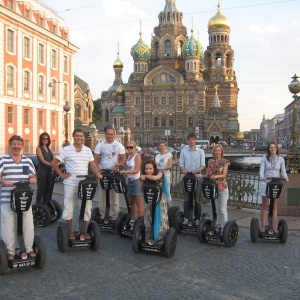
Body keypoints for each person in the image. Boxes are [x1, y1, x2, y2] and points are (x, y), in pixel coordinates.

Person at [51, 128, 102, 240]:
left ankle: (83, 231)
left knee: (86, 207)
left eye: (81, 136)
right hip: (70, 183)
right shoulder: (67, 149)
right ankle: (69, 232)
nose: (79, 138)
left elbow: (92, 165)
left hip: (84, 183)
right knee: (69, 207)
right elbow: (54, 163)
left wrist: (97, 173)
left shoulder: (87, 150)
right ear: (73, 137)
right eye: (77, 136)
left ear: (83, 137)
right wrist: (62, 175)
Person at [0, 135, 37, 260]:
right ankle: (9, 251)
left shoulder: (27, 160)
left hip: (24, 198)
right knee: (7, 225)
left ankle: (28, 249)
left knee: (28, 224)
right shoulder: (3, 159)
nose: (16, 146)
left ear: (22, 146)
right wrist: (4, 181)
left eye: (19, 144)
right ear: (10, 145)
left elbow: (33, 176)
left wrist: (32, 178)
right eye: (14, 144)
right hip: (7, 197)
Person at [93, 127, 126, 219]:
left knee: (114, 194)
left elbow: (123, 157)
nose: (110, 136)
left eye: (111, 134)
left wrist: (119, 165)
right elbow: (95, 158)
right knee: (102, 194)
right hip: (103, 172)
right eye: (108, 134)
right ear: (105, 135)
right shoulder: (100, 145)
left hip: (113, 172)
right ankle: (102, 214)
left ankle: (114, 215)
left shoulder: (119, 145)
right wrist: (97, 168)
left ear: (114, 135)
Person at [259, 142, 289, 233]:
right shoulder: (264, 158)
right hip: (266, 182)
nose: (273, 149)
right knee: (265, 205)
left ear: (276, 149)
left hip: (276, 183)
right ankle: (263, 225)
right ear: (269, 149)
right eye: (271, 148)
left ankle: (273, 226)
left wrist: (286, 177)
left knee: (275, 206)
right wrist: (262, 177)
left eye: (274, 147)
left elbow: (283, 171)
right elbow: (261, 170)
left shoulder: (281, 159)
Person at [200, 144, 230, 232]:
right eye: (215, 150)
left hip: (222, 187)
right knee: (215, 207)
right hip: (212, 188)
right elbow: (207, 173)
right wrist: (203, 176)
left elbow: (224, 175)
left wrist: (216, 176)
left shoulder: (225, 162)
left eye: (219, 151)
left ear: (221, 152)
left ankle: (225, 228)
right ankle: (216, 224)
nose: (217, 152)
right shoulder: (210, 161)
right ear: (213, 152)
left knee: (222, 209)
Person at [140, 160, 170, 245]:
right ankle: (149, 236)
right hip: (148, 198)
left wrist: (145, 176)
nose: (148, 171)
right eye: (146, 169)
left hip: (159, 199)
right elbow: (141, 188)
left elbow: (156, 178)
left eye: (150, 168)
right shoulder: (144, 176)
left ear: (154, 168)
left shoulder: (160, 173)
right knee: (148, 217)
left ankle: (161, 238)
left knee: (161, 218)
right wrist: (141, 180)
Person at [179, 133, 206, 225]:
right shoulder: (184, 151)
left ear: (195, 140)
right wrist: (183, 169)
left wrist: (197, 170)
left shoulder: (200, 151)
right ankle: (187, 217)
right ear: (188, 140)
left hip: (197, 176)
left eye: (193, 139)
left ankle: (197, 218)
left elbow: (203, 165)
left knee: (197, 199)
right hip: (187, 177)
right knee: (187, 199)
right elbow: (181, 164)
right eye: (190, 139)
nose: (191, 141)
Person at [120, 141, 144, 229]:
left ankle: (141, 222)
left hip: (137, 181)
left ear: (135, 147)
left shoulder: (137, 156)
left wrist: (126, 172)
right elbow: (128, 168)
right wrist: (121, 165)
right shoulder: (128, 156)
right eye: (127, 147)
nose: (129, 149)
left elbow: (137, 170)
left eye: (131, 147)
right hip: (129, 180)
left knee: (139, 203)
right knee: (131, 203)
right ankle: (133, 220)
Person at [35, 132, 53, 204]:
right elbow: (42, 160)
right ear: (41, 139)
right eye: (43, 138)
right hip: (42, 169)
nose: (45, 140)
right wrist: (52, 165)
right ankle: (38, 204)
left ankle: (45, 203)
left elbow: (52, 159)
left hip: (49, 169)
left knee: (48, 188)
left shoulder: (48, 149)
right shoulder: (39, 148)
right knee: (41, 188)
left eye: (47, 138)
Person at [155, 141, 172, 206]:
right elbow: (155, 165)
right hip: (158, 175)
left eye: (163, 146)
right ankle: (161, 205)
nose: (162, 147)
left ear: (165, 146)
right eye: (160, 146)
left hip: (165, 174)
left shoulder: (169, 155)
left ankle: (169, 206)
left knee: (167, 191)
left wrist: (162, 169)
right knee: (159, 190)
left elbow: (170, 166)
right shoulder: (157, 156)